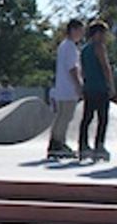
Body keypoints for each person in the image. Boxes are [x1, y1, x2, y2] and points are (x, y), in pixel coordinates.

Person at [47, 19, 85, 159]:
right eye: (80, 31)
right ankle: (59, 143)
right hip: (69, 89)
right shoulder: (69, 47)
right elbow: (72, 68)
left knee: (60, 116)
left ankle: (55, 142)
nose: (81, 34)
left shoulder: (64, 46)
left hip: (61, 88)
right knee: (65, 117)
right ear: (73, 30)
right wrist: (79, 85)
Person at [78, 20, 115, 161]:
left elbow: (83, 70)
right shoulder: (99, 47)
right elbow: (106, 67)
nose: (105, 37)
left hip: (89, 87)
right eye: (104, 33)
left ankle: (83, 145)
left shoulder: (84, 49)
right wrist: (111, 85)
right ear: (98, 33)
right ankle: (99, 145)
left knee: (87, 118)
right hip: (100, 87)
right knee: (102, 118)